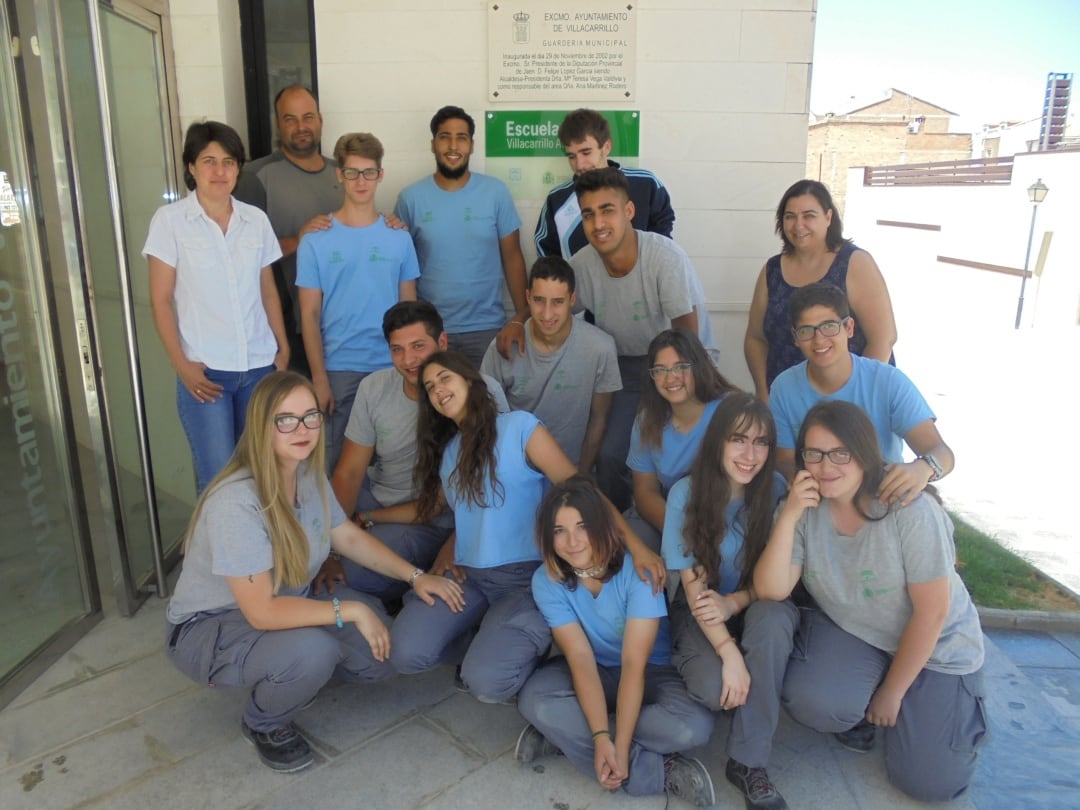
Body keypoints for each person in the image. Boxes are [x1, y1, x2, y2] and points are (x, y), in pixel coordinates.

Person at [164, 371, 464, 773]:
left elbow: (348, 538)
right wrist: (350, 612)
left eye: (310, 416)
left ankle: (295, 670)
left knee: (383, 656)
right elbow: (262, 613)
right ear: (261, 426)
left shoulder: (307, 475)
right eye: (285, 419)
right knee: (313, 652)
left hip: (292, 599)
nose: (301, 428)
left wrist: (415, 576)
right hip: (212, 625)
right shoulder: (235, 503)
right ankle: (263, 721)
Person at [389, 352, 664, 704]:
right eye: (429, 387)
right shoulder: (450, 453)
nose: (438, 390)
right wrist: (368, 519)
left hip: (524, 580)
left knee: (487, 685)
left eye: (444, 378)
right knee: (406, 652)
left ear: (471, 382)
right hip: (468, 578)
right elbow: (452, 512)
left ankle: (531, 645)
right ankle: (486, 637)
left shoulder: (519, 427)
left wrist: (637, 549)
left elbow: (581, 492)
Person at [754, 401, 987, 802]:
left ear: (864, 453)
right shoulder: (805, 509)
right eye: (814, 453)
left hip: (940, 647)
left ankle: (942, 704)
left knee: (929, 783)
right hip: (864, 635)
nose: (826, 466)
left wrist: (892, 692)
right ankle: (879, 695)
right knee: (815, 702)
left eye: (840, 453)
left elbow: (933, 614)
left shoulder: (908, 510)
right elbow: (771, 590)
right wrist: (790, 515)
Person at [515, 476, 716, 807]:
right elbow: (579, 658)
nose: (572, 541)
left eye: (582, 526)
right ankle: (658, 771)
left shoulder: (637, 572)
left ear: (600, 526)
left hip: (651, 671)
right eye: (559, 531)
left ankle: (568, 738)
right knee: (534, 699)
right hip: (594, 669)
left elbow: (634, 666)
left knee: (692, 726)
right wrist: (600, 738)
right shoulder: (546, 580)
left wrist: (618, 745)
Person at [320, 301, 508, 603]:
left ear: (442, 342)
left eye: (419, 346)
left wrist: (456, 542)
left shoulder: (482, 391)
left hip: (440, 518)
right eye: (397, 349)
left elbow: (493, 484)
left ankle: (409, 585)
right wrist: (327, 549)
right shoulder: (373, 388)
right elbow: (350, 471)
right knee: (315, 555)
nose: (409, 360)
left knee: (357, 573)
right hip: (381, 499)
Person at [661, 393, 794, 810]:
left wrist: (737, 602)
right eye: (738, 439)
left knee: (773, 623)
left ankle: (748, 761)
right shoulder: (687, 494)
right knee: (715, 685)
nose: (749, 454)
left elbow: (780, 579)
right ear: (717, 440)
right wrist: (729, 652)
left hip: (757, 603)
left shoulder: (775, 490)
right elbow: (695, 588)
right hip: (701, 608)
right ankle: (740, 685)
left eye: (761, 442)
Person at [144, 120, 289, 492]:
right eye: (208, 161)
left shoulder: (255, 221)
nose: (219, 171)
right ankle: (216, 552)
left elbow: (267, 289)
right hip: (207, 375)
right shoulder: (171, 222)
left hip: (258, 367)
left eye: (228, 161)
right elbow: (160, 300)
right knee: (218, 483)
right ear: (191, 167)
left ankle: (258, 550)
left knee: (260, 474)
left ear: (239, 168)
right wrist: (183, 367)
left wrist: (282, 346)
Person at [560, 167, 714, 511]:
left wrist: (674, 390)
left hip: (688, 362)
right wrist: (516, 322)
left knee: (677, 454)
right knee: (613, 454)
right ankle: (616, 533)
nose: (598, 224)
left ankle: (680, 526)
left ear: (628, 212)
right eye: (588, 214)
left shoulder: (664, 256)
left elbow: (687, 339)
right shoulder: (582, 264)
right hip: (626, 367)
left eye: (607, 210)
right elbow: (552, 306)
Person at [297, 132, 419, 470]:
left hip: (392, 367)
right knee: (337, 468)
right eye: (352, 172)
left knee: (395, 467)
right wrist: (319, 378)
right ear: (339, 174)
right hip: (339, 370)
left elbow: (409, 314)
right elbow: (308, 315)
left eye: (368, 172)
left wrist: (412, 369)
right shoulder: (315, 240)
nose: (360, 181)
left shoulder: (399, 238)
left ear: (381, 174)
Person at [769, 283, 953, 504]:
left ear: (849, 328)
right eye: (807, 330)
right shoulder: (784, 387)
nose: (819, 340)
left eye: (829, 326)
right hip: (820, 498)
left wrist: (922, 469)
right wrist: (811, 482)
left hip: (881, 497)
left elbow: (942, 452)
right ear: (795, 337)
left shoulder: (888, 382)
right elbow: (785, 460)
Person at [393, 106, 527, 366]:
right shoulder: (410, 198)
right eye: (445, 137)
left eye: (461, 137)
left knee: (488, 403)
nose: (453, 146)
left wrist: (522, 318)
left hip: (488, 329)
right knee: (435, 405)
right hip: (431, 331)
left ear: (472, 145)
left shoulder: (495, 193)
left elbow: (513, 258)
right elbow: (399, 266)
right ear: (433, 144)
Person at [744, 179, 897, 400]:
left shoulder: (855, 262)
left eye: (809, 216)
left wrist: (858, 397)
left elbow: (884, 339)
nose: (798, 225)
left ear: (828, 217)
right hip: (789, 402)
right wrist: (763, 391)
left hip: (852, 402)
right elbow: (755, 339)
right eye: (790, 217)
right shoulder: (772, 270)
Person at [233, 86, 343, 376]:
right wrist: (298, 240)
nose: (301, 126)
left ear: (320, 120)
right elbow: (238, 258)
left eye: (307, 117)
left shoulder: (345, 174)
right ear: (278, 124)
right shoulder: (253, 178)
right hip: (285, 332)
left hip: (343, 328)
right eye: (290, 119)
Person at [480, 256, 621, 471]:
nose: (547, 314)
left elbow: (598, 421)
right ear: (527, 297)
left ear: (572, 299)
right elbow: (485, 416)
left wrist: (578, 479)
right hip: (515, 470)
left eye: (557, 302)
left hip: (570, 470)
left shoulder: (600, 348)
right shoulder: (503, 346)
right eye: (538, 300)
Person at [626, 329, 736, 551]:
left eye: (681, 367)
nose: (671, 378)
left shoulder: (730, 410)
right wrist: (680, 530)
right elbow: (645, 492)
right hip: (668, 514)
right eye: (661, 370)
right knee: (626, 545)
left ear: (699, 367)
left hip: (725, 515)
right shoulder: (646, 420)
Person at [534, 108, 674, 259]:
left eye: (586, 152)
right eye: (572, 156)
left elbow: (663, 245)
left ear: (606, 147)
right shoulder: (557, 199)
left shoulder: (646, 184)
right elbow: (547, 258)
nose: (580, 165)